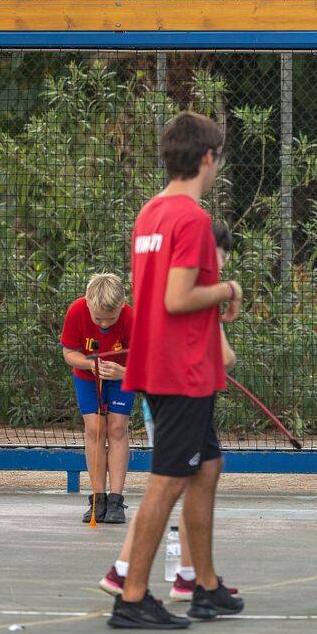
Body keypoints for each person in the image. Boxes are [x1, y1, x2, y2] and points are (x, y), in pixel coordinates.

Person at [106, 111, 243, 630]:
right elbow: (177, 296)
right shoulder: (192, 219)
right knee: (166, 483)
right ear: (209, 158)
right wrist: (229, 290)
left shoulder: (150, 213)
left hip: (164, 361)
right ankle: (133, 597)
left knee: (207, 467)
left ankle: (205, 586)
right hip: (180, 368)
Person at [100, 220, 239, 603]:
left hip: (165, 394)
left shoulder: (163, 281)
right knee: (169, 485)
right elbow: (225, 357)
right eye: (220, 258)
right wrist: (226, 297)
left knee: (195, 477)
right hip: (181, 394)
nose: (222, 266)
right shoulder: (197, 292)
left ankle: (191, 577)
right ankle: (125, 572)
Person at [60, 273, 134, 525]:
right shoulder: (76, 311)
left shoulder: (131, 318)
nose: (103, 324)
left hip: (121, 376)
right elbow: (69, 353)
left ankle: (116, 500)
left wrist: (121, 371)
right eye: (98, 318)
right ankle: (97, 498)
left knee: (117, 428)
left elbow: (145, 363)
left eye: (110, 319)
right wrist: (89, 364)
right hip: (87, 376)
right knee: (95, 428)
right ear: (88, 303)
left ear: (122, 305)